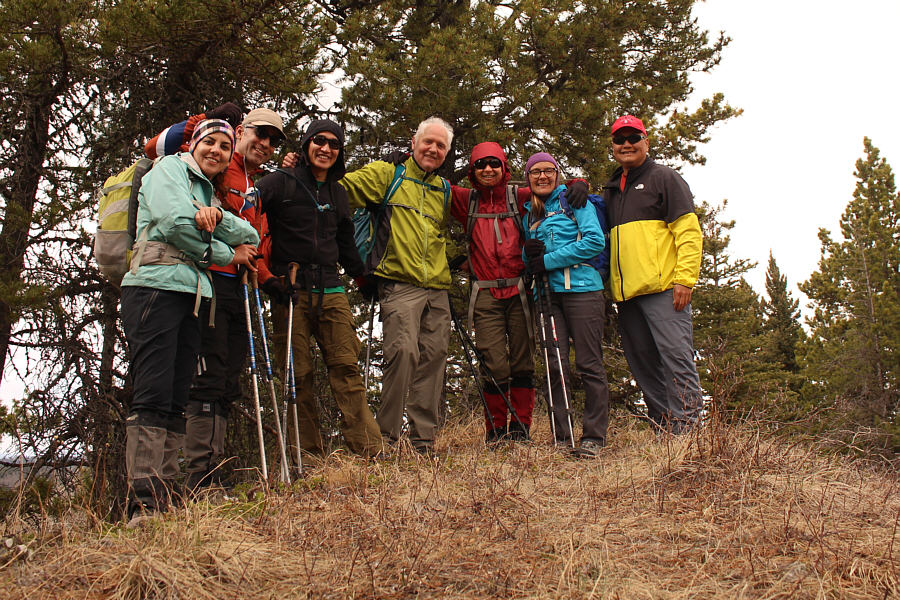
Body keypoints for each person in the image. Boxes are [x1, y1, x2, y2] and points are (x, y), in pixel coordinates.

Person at [121, 119, 260, 521]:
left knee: (176, 394)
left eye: (223, 145)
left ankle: (165, 495)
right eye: (209, 142)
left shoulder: (203, 188)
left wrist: (214, 217)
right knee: (152, 391)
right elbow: (176, 224)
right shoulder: (169, 169)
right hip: (153, 288)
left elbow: (245, 229)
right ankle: (143, 503)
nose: (216, 150)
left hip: (190, 294)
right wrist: (225, 253)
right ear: (194, 144)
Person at [145, 104, 285, 492]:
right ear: (242, 131)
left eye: (273, 140)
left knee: (226, 377)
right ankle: (199, 476)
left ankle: (208, 472)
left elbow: (257, 238)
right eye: (260, 133)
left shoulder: (254, 182)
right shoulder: (214, 166)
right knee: (207, 375)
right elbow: (158, 153)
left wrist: (266, 274)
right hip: (206, 281)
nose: (266, 143)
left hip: (239, 285)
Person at [255, 120, 384, 458]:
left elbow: (344, 242)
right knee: (297, 377)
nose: (326, 149)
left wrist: (362, 278)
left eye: (334, 144)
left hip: (331, 288)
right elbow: (248, 220)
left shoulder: (338, 192)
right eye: (319, 141)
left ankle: (369, 449)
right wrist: (265, 276)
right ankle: (306, 458)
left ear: (340, 152)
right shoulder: (278, 183)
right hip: (290, 290)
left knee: (346, 368)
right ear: (306, 144)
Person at [341, 117, 454, 455]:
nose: (433, 149)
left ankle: (422, 441)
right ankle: (386, 439)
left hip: (437, 287)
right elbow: (340, 190)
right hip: (398, 282)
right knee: (402, 354)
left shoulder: (444, 190)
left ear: (446, 153)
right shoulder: (386, 174)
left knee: (434, 358)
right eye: (428, 142)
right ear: (414, 142)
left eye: (441, 146)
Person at [602, 114, 703, 433]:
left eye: (634, 138)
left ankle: (688, 436)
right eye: (620, 139)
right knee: (644, 368)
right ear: (613, 146)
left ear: (646, 141)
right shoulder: (612, 189)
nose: (627, 144)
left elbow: (689, 233)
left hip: (664, 292)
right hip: (627, 297)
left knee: (677, 361)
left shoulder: (664, 178)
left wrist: (685, 280)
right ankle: (666, 433)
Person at [521, 152, 610, 457]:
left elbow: (594, 241)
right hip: (546, 296)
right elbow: (530, 263)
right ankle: (563, 436)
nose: (542, 177)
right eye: (536, 172)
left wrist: (546, 260)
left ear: (557, 174)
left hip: (583, 290)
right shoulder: (528, 214)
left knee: (588, 362)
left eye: (548, 171)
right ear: (528, 178)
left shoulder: (574, 201)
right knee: (553, 366)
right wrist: (527, 255)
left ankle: (594, 437)